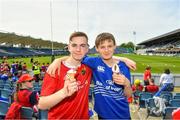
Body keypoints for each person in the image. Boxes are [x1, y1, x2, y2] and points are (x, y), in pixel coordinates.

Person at [46, 32, 134, 119]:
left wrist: (126, 83)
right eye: (102, 47)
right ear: (97, 48)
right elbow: (76, 57)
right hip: (103, 115)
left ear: (115, 46)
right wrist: (58, 60)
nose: (106, 50)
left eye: (110, 46)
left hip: (123, 115)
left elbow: (128, 95)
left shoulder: (124, 67)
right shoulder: (94, 62)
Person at [38, 32, 92, 119]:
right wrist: (63, 93)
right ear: (69, 47)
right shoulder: (55, 69)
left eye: (82, 45)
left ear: (87, 48)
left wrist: (123, 59)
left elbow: (106, 59)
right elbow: (41, 104)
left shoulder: (88, 68)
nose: (78, 49)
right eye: (74, 45)